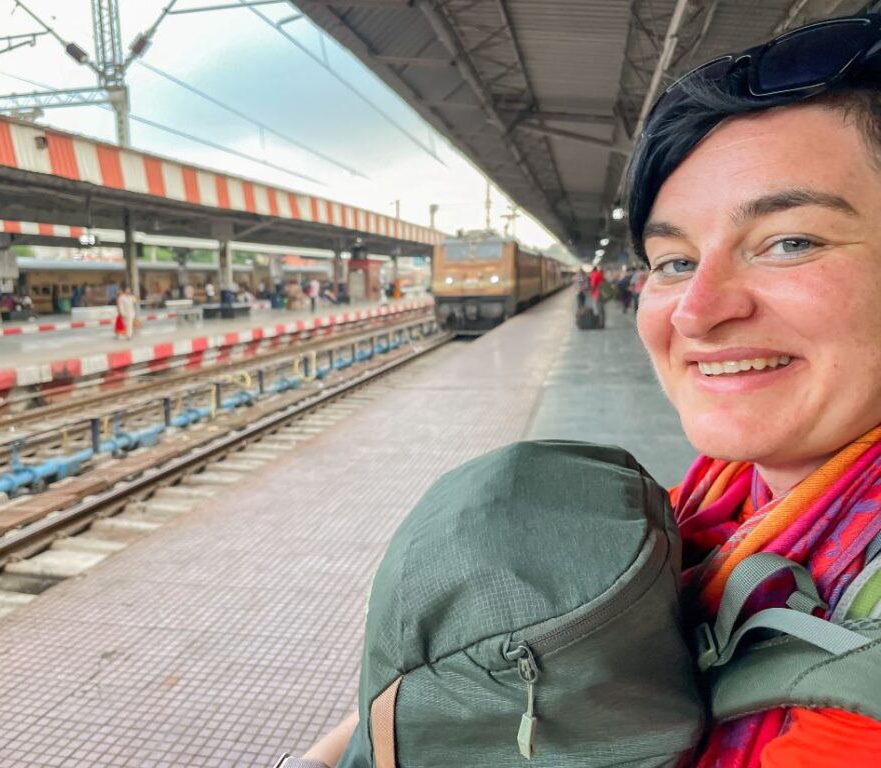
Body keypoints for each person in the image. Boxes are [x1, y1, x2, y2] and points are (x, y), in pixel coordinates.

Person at [296, 11, 881, 768]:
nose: (697, 311)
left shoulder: (853, 710)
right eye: (673, 261)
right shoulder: (725, 499)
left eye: (790, 242)